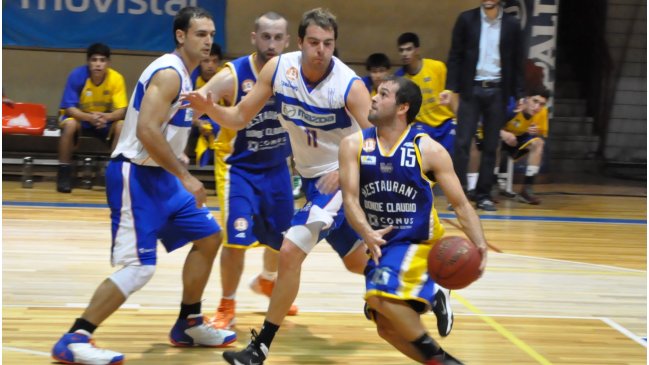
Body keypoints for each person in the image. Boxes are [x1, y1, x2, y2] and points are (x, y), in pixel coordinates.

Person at [183, 8, 373, 365]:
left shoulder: (350, 85)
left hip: (337, 177)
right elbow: (239, 117)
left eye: (328, 44)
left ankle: (260, 347)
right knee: (356, 261)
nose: (320, 50)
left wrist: (347, 168)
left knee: (288, 252)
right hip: (296, 175)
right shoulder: (277, 70)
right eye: (314, 42)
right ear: (299, 43)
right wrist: (209, 109)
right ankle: (423, 286)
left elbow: (377, 141)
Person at [51, 7, 236, 365]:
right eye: (200, 33)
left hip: (162, 178)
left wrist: (178, 159)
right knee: (139, 267)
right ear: (181, 36)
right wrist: (186, 176)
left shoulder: (187, 77)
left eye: (211, 33)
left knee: (210, 236)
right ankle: (75, 337)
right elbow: (147, 130)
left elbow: (164, 129)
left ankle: (189, 321)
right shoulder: (169, 73)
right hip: (135, 176)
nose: (208, 40)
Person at [339, 76, 488, 365]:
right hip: (380, 243)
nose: (373, 97)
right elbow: (350, 200)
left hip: (417, 242)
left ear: (402, 107)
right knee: (385, 327)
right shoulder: (353, 145)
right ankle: (441, 360)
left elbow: (460, 204)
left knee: (377, 297)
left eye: (383, 94)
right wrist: (366, 231)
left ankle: (443, 351)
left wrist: (479, 244)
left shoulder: (427, 149)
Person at [195, 11, 299, 330]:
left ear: (287, 41)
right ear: (254, 38)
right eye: (265, 37)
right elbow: (201, 101)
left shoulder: (294, 73)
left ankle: (268, 281)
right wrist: (205, 106)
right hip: (237, 169)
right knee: (236, 241)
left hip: (277, 167)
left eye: (277, 37)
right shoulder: (234, 73)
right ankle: (227, 305)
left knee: (282, 241)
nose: (271, 44)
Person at [441, 0, 524, 211]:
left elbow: (517, 61)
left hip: (497, 90)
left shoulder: (512, 24)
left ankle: (484, 194)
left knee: (491, 145)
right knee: (462, 143)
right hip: (471, 89)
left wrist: (519, 93)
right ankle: (458, 194)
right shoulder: (466, 19)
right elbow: (455, 55)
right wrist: (450, 88)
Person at [56, 43, 129, 193]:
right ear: (88, 62)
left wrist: (107, 117)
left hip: (104, 120)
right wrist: (90, 118)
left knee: (121, 126)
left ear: (108, 63)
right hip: (80, 118)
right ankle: (63, 173)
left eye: (102, 60)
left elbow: (121, 111)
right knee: (69, 126)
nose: (98, 64)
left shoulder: (116, 78)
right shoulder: (77, 75)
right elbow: (70, 108)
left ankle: (113, 176)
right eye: (94, 60)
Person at [395, 32, 457, 154]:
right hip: (422, 126)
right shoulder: (399, 78)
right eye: (401, 50)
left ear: (417, 50)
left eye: (409, 49)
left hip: (445, 122)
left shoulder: (437, 67)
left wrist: (457, 116)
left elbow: (452, 93)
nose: (405, 54)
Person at [497, 87, 550, 204]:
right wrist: (504, 134)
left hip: (518, 139)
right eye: (535, 101)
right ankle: (488, 187)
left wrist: (532, 132)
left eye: (541, 104)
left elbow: (538, 132)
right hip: (499, 136)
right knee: (494, 142)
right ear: (526, 99)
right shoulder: (513, 106)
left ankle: (526, 189)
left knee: (538, 143)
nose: (537, 107)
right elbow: (490, 125)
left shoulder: (541, 113)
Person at [191, 42, 224, 167]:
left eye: (214, 61)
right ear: (199, 62)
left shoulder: (225, 76)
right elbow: (184, 110)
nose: (210, 65)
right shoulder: (192, 78)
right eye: (206, 61)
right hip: (196, 120)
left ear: (219, 63)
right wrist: (198, 123)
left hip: (220, 119)